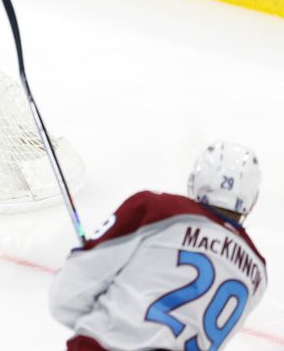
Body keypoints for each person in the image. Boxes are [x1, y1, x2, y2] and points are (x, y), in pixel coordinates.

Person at [49, 141, 267, 351]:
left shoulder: (158, 210)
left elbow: (66, 296)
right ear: (252, 201)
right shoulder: (257, 273)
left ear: (196, 181)